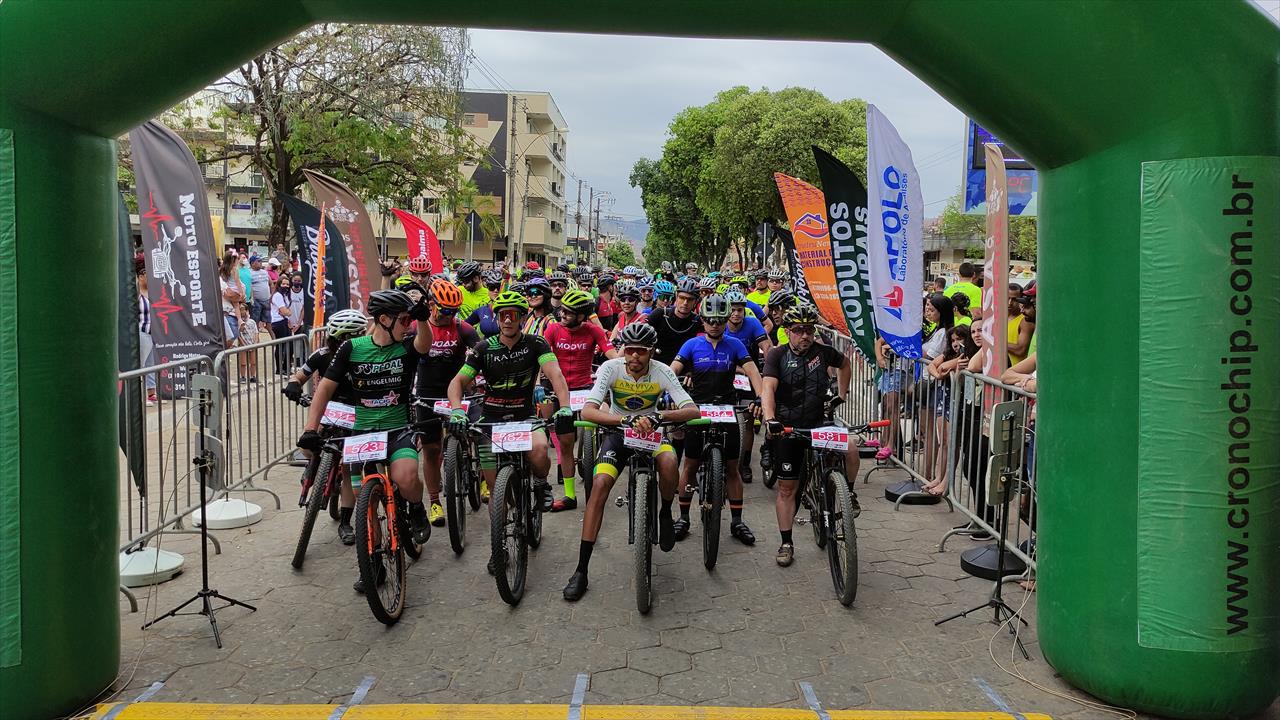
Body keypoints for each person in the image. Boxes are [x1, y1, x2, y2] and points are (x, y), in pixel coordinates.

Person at [297, 290, 435, 593]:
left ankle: (415, 508)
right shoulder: (351, 348)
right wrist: (311, 428)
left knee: (407, 476)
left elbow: (424, 344)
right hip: (363, 434)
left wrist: (423, 320)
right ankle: (371, 562)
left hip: (398, 429)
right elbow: (324, 390)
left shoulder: (406, 346)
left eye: (410, 319)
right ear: (384, 320)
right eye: (404, 320)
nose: (408, 325)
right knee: (366, 503)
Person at [562, 322, 701, 601]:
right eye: (630, 351)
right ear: (622, 350)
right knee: (600, 485)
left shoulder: (662, 371)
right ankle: (581, 569)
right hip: (618, 434)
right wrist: (624, 419)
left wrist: (659, 418)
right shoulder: (610, 369)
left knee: (670, 463)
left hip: (652, 434)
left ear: (651, 352)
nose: (635, 357)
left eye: (641, 351)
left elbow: (691, 409)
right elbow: (588, 411)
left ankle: (664, 511)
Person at [447, 290, 571, 524]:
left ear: (522, 318)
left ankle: (541, 484)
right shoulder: (483, 348)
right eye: (502, 315)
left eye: (513, 315)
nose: (507, 320)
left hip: (525, 417)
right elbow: (457, 383)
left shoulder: (537, 344)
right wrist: (456, 410)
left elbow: (556, 375)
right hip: (491, 421)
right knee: (496, 492)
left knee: (541, 449)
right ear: (496, 318)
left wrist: (564, 407)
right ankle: (499, 550)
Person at [761, 304, 857, 568]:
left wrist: (841, 395)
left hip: (819, 422)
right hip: (788, 427)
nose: (805, 335)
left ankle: (848, 494)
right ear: (788, 332)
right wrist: (770, 420)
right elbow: (768, 388)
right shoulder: (777, 355)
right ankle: (786, 542)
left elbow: (845, 364)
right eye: (799, 330)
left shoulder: (824, 352)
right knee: (786, 488)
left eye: (809, 330)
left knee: (850, 448)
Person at [669, 295, 763, 545]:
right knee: (688, 465)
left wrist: (761, 397)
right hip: (697, 410)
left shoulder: (734, 345)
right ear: (702, 320)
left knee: (733, 469)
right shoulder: (691, 344)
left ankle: (737, 521)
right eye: (710, 320)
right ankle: (684, 517)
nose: (715, 325)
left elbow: (752, 370)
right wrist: (667, 394)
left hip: (727, 408)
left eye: (720, 321)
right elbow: (672, 371)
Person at [283, 309, 369, 544]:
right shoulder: (321, 355)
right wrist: (293, 384)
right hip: (329, 410)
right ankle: (313, 465)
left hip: (356, 412)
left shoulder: (365, 354)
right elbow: (300, 375)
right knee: (307, 446)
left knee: (350, 467)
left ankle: (346, 522)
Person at [545, 289, 618, 511]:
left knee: (605, 416)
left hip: (585, 388)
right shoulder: (553, 329)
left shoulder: (594, 330)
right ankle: (569, 495)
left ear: (581, 316)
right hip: (560, 391)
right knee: (566, 444)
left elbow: (611, 355)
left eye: (568, 312)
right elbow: (541, 355)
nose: (562, 315)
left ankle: (598, 455)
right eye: (562, 310)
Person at [415, 279, 480, 526]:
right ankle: (434, 502)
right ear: (431, 305)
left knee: (477, 433)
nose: (448, 316)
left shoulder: (463, 329)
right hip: (428, 393)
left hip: (459, 392)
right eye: (444, 311)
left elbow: (481, 354)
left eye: (453, 312)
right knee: (431, 450)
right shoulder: (417, 328)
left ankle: (481, 475)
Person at [923, 323, 976, 495]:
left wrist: (942, 369)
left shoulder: (967, 355)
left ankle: (946, 482)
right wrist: (938, 374)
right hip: (944, 398)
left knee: (953, 442)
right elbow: (933, 365)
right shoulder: (949, 353)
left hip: (958, 402)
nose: (955, 343)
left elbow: (943, 366)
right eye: (952, 340)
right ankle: (939, 477)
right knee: (943, 441)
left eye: (959, 339)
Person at [646, 276, 701, 364]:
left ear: (696, 301)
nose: (685, 303)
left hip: (683, 370)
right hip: (656, 366)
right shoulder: (659, 314)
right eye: (682, 298)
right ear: (676, 297)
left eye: (690, 299)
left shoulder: (698, 321)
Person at [269, 274, 302, 375]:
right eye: (283, 284)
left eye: (287, 284)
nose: (286, 286)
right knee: (282, 346)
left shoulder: (285, 296)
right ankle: (280, 368)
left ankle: (285, 367)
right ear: (279, 284)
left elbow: (286, 311)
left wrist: (287, 312)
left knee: (288, 345)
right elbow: (284, 311)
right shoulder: (278, 295)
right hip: (278, 322)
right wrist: (288, 312)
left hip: (285, 322)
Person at [136, 254, 157, 405]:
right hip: (141, 332)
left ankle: (151, 393)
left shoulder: (153, 293)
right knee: (141, 364)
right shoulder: (136, 295)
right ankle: (139, 396)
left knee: (151, 364)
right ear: (141, 276)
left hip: (152, 333)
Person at [247, 255, 273, 332]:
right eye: (258, 261)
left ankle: (274, 341)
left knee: (269, 322)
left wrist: (272, 295)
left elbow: (271, 283)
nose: (260, 263)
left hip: (267, 300)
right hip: (256, 301)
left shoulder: (265, 272)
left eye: (260, 261)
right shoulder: (249, 273)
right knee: (255, 322)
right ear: (252, 263)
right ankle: (256, 341)